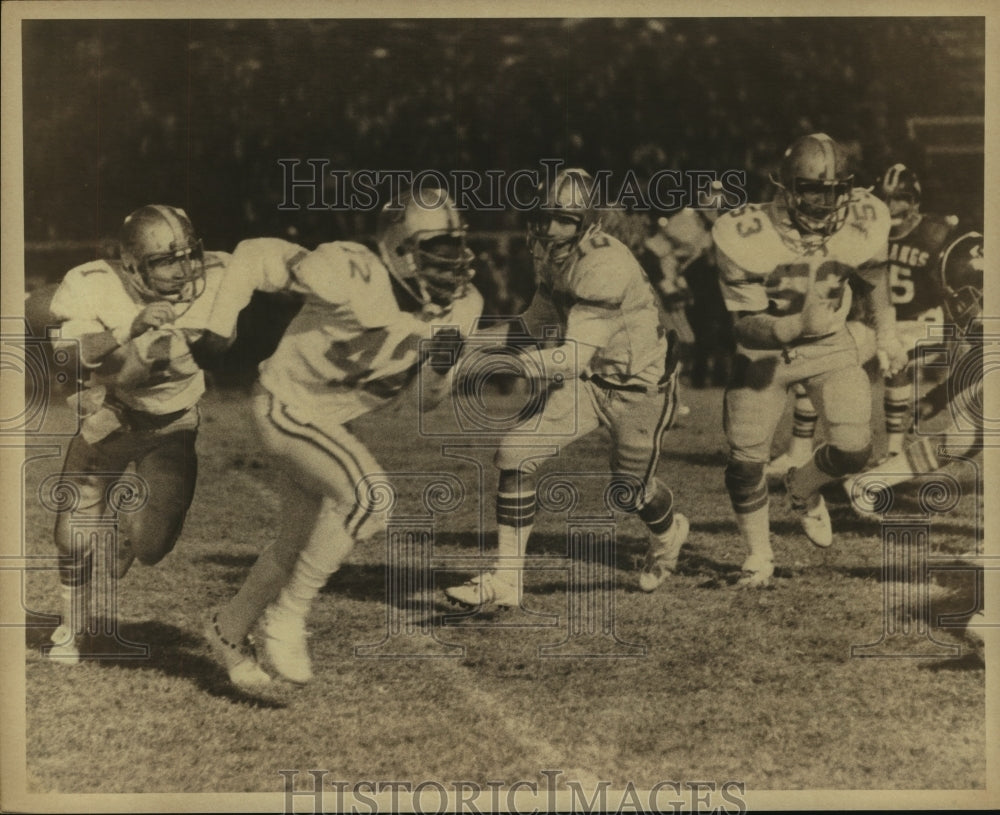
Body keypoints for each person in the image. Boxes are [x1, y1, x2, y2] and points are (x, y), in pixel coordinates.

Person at [200, 188, 483, 688]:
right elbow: (252, 255)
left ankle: (229, 626)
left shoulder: (464, 306)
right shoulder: (349, 271)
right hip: (286, 405)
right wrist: (221, 324)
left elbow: (423, 402)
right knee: (370, 497)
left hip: (325, 421)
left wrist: (441, 366)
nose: (453, 261)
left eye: (456, 246)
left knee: (300, 540)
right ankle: (287, 617)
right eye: (438, 247)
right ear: (400, 249)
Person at [445, 168, 689, 608]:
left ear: (586, 221)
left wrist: (475, 365)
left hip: (639, 386)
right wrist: (468, 343)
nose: (550, 228)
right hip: (589, 378)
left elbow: (567, 358)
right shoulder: (549, 253)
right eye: (544, 216)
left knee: (631, 493)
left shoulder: (603, 263)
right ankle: (507, 581)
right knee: (515, 453)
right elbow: (533, 325)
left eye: (564, 219)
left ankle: (670, 533)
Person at [712, 134, 907, 587]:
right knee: (745, 460)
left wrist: (887, 333)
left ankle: (803, 485)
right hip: (763, 352)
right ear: (785, 186)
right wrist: (784, 329)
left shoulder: (864, 214)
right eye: (815, 188)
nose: (827, 199)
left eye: (837, 189)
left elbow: (873, 276)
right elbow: (742, 322)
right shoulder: (743, 231)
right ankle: (759, 555)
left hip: (828, 344)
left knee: (855, 448)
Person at [46, 205, 228, 662]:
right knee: (74, 532)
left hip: (174, 424)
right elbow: (75, 353)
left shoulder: (219, 276)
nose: (185, 271)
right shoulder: (93, 283)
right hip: (111, 416)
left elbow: (226, 336)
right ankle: (70, 628)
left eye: (189, 256)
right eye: (167, 260)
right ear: (131, 264)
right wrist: (132, 325)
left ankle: (127, 536)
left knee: (153, 546)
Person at [766, 163, 960, 479]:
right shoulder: (867, 232)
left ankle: (894, 452)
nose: (892, 206)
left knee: (896, 367)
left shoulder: (935, 233)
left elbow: (949, 286)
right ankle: (797, 451)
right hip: (877, 322)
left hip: (920, 322)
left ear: (915, 201)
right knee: (818, 361)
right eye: (887, 198)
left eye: (901, 198)